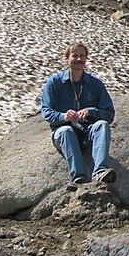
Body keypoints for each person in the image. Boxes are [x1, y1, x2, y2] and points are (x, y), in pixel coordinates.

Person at [41, 42, 116, 189]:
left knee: (102, 125)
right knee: (66, 131)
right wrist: (64, 116)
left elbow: (109, 114)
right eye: (74, 56)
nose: (78, 59)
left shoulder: (95, 84)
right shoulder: (54, 83)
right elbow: (46, 111)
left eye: (82, 56)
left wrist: (91, 111)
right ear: (67, 59)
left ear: (86, 59)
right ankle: (79, 178)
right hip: (63, 133)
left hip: (86, 131)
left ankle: (100, 172)